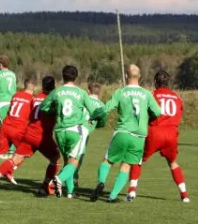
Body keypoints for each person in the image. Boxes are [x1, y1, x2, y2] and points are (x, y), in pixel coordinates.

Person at [89, 65, 161, 203]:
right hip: (139, 136)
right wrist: (147, 118)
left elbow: (106, 108)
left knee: (108, 161)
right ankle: (112, 197)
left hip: (123, 131)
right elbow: (157, 112)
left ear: (126, 76)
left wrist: (93, 116)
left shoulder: (120, 92)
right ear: (139, 76)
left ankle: (101, 182)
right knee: (127, 165)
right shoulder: (147, 94)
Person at [0, 76, 61, 195]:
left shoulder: (35, 99)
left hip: (29, 133)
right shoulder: (53, 100)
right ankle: (45, 186)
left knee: (14, 159)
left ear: (42, 86)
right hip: (42, 136)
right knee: (55, 159)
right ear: (54, 87)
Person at [126, 70, 188, 202]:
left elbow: (143, 111)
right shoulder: (176, 97)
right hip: (171, 133)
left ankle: (131, 191)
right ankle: (184, 195)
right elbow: (179, 112)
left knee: (138, 158)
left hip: (155, 131)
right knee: (173, 163)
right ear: (168, 82)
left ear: (155, 82)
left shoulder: (152, 94)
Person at [40, 65, 102, 198]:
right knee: (74, 162)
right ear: (76, 77)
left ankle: (70, 192)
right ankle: (59, 179)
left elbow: (43, 107)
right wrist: (98, 117)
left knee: (67, 160)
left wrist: (54, 111)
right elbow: (93, 112)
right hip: (76, 130)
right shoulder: (81, 93)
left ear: (63, 76)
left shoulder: (56, 92)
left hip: (60, 131)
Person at [0, 78, 36, 192]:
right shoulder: (32, 99)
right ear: (34, 88)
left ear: (24, 85)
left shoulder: (16, 95)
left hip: (5, 127)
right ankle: (8, 171)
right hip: (18, 129)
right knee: (24, 153)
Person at [72, 82, 105, 195]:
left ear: (88, 91)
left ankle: (72, 181)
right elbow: (102, 123)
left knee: (72, 158)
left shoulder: (82, 99)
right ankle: (71, 183)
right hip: (84, 133)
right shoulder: (101, 105)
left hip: (74, 129)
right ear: (99, 93)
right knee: (77, 159)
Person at [0, 55, 17, 158]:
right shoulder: (13, 75)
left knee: (1, 128)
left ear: (0, 64)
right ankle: (11, 151)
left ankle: (1, 150)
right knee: (11, 127)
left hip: (1, 102)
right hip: (12, 102)